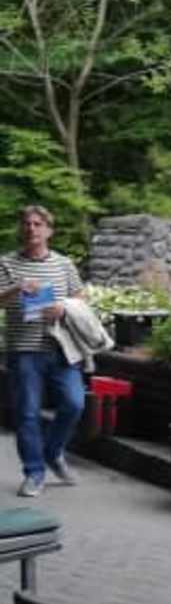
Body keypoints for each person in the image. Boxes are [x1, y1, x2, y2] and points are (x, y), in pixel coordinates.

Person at [0, 205, 86, 497]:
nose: (32, 228)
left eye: (38, 224)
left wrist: (63, 308)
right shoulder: (6, 263)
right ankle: (34, 473)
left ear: (49, 230)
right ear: (21, 228)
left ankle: (52, 451)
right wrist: (17, 288)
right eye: (27, 223)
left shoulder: (64, 264)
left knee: (74, 404)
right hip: (23, 350)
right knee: (27, 413)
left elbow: (80, 298)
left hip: (62, 347)